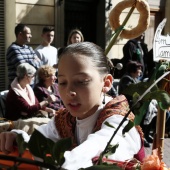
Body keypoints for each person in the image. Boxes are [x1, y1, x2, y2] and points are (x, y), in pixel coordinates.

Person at [0, 42, 144, 169]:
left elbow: (101, 146)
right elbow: (40, 140)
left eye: (81, 81)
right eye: (62, 83)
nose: (69, 92)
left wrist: (67, 162)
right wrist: (17, 138)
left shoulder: (120, 120)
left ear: (106, 83)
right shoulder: (65, 120)